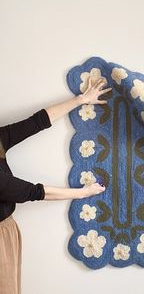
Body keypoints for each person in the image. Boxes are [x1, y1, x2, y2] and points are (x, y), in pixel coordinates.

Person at [0, 75, 112, 294]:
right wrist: (82, 193)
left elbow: (37, 122)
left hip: (6, 229)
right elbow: (34, 192)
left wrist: (81, 99)